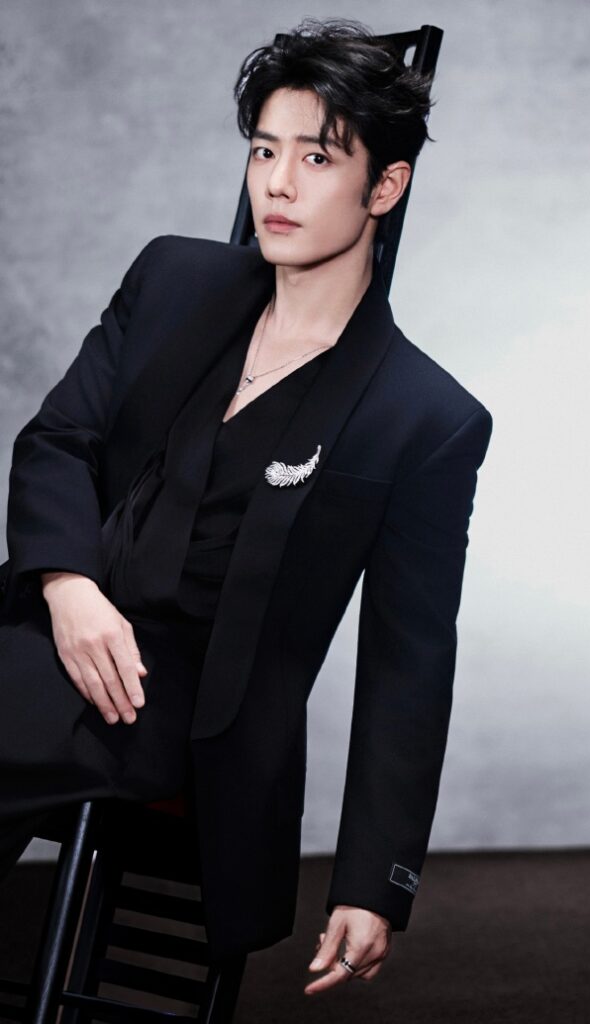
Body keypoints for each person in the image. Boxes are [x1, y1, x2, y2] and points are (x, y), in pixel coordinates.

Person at [0, 16, 493, 1003]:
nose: (277, 184)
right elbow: (58, 439)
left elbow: (407, 661)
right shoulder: (172, 279)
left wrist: (373, 883)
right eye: (265, 151)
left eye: (316, 157)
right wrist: (67, 584)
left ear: (384, 187)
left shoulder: (423, 416)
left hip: (182, 705)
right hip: (55, 628)